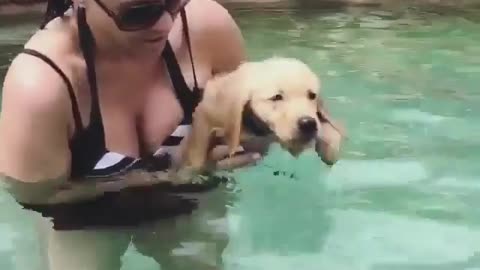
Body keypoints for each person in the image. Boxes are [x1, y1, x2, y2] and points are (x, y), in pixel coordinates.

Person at [0, 0, 264, 269]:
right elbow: (37, 197)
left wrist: (249, 140)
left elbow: (258, 121)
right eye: (139, 13)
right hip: (84, 213)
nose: (165, 23)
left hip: (189, 194)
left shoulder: (206, 30)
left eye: (174, 2)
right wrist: (175, 172)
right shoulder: (42, 86)